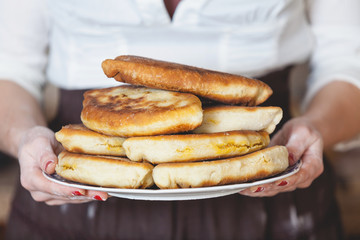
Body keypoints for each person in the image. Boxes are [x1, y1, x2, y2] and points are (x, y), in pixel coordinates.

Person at [0, 0, 359, 239]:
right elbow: (9, 68)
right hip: (75, 186)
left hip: (269, 186)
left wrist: (317, 127)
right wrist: (24, 136)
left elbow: (347, 60)